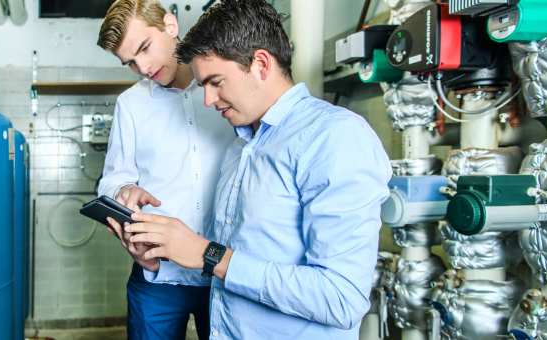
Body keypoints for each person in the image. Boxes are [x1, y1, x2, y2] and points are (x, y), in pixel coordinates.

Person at [117, 0, 392, 338]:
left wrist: (207, 254)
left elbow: (340, 299)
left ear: (261, 64)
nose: (208, 100)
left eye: (216, 82)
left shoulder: (334, 137)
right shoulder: (241, 146)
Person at [96, 0, 235, 338]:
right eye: (130, 62)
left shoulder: (225, 87)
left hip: (226, 271)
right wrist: (122, 193)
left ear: (170, 26)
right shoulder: (131, 105)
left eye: (144, 48)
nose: (143, 67)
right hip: (157, 276)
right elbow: (112, 180)